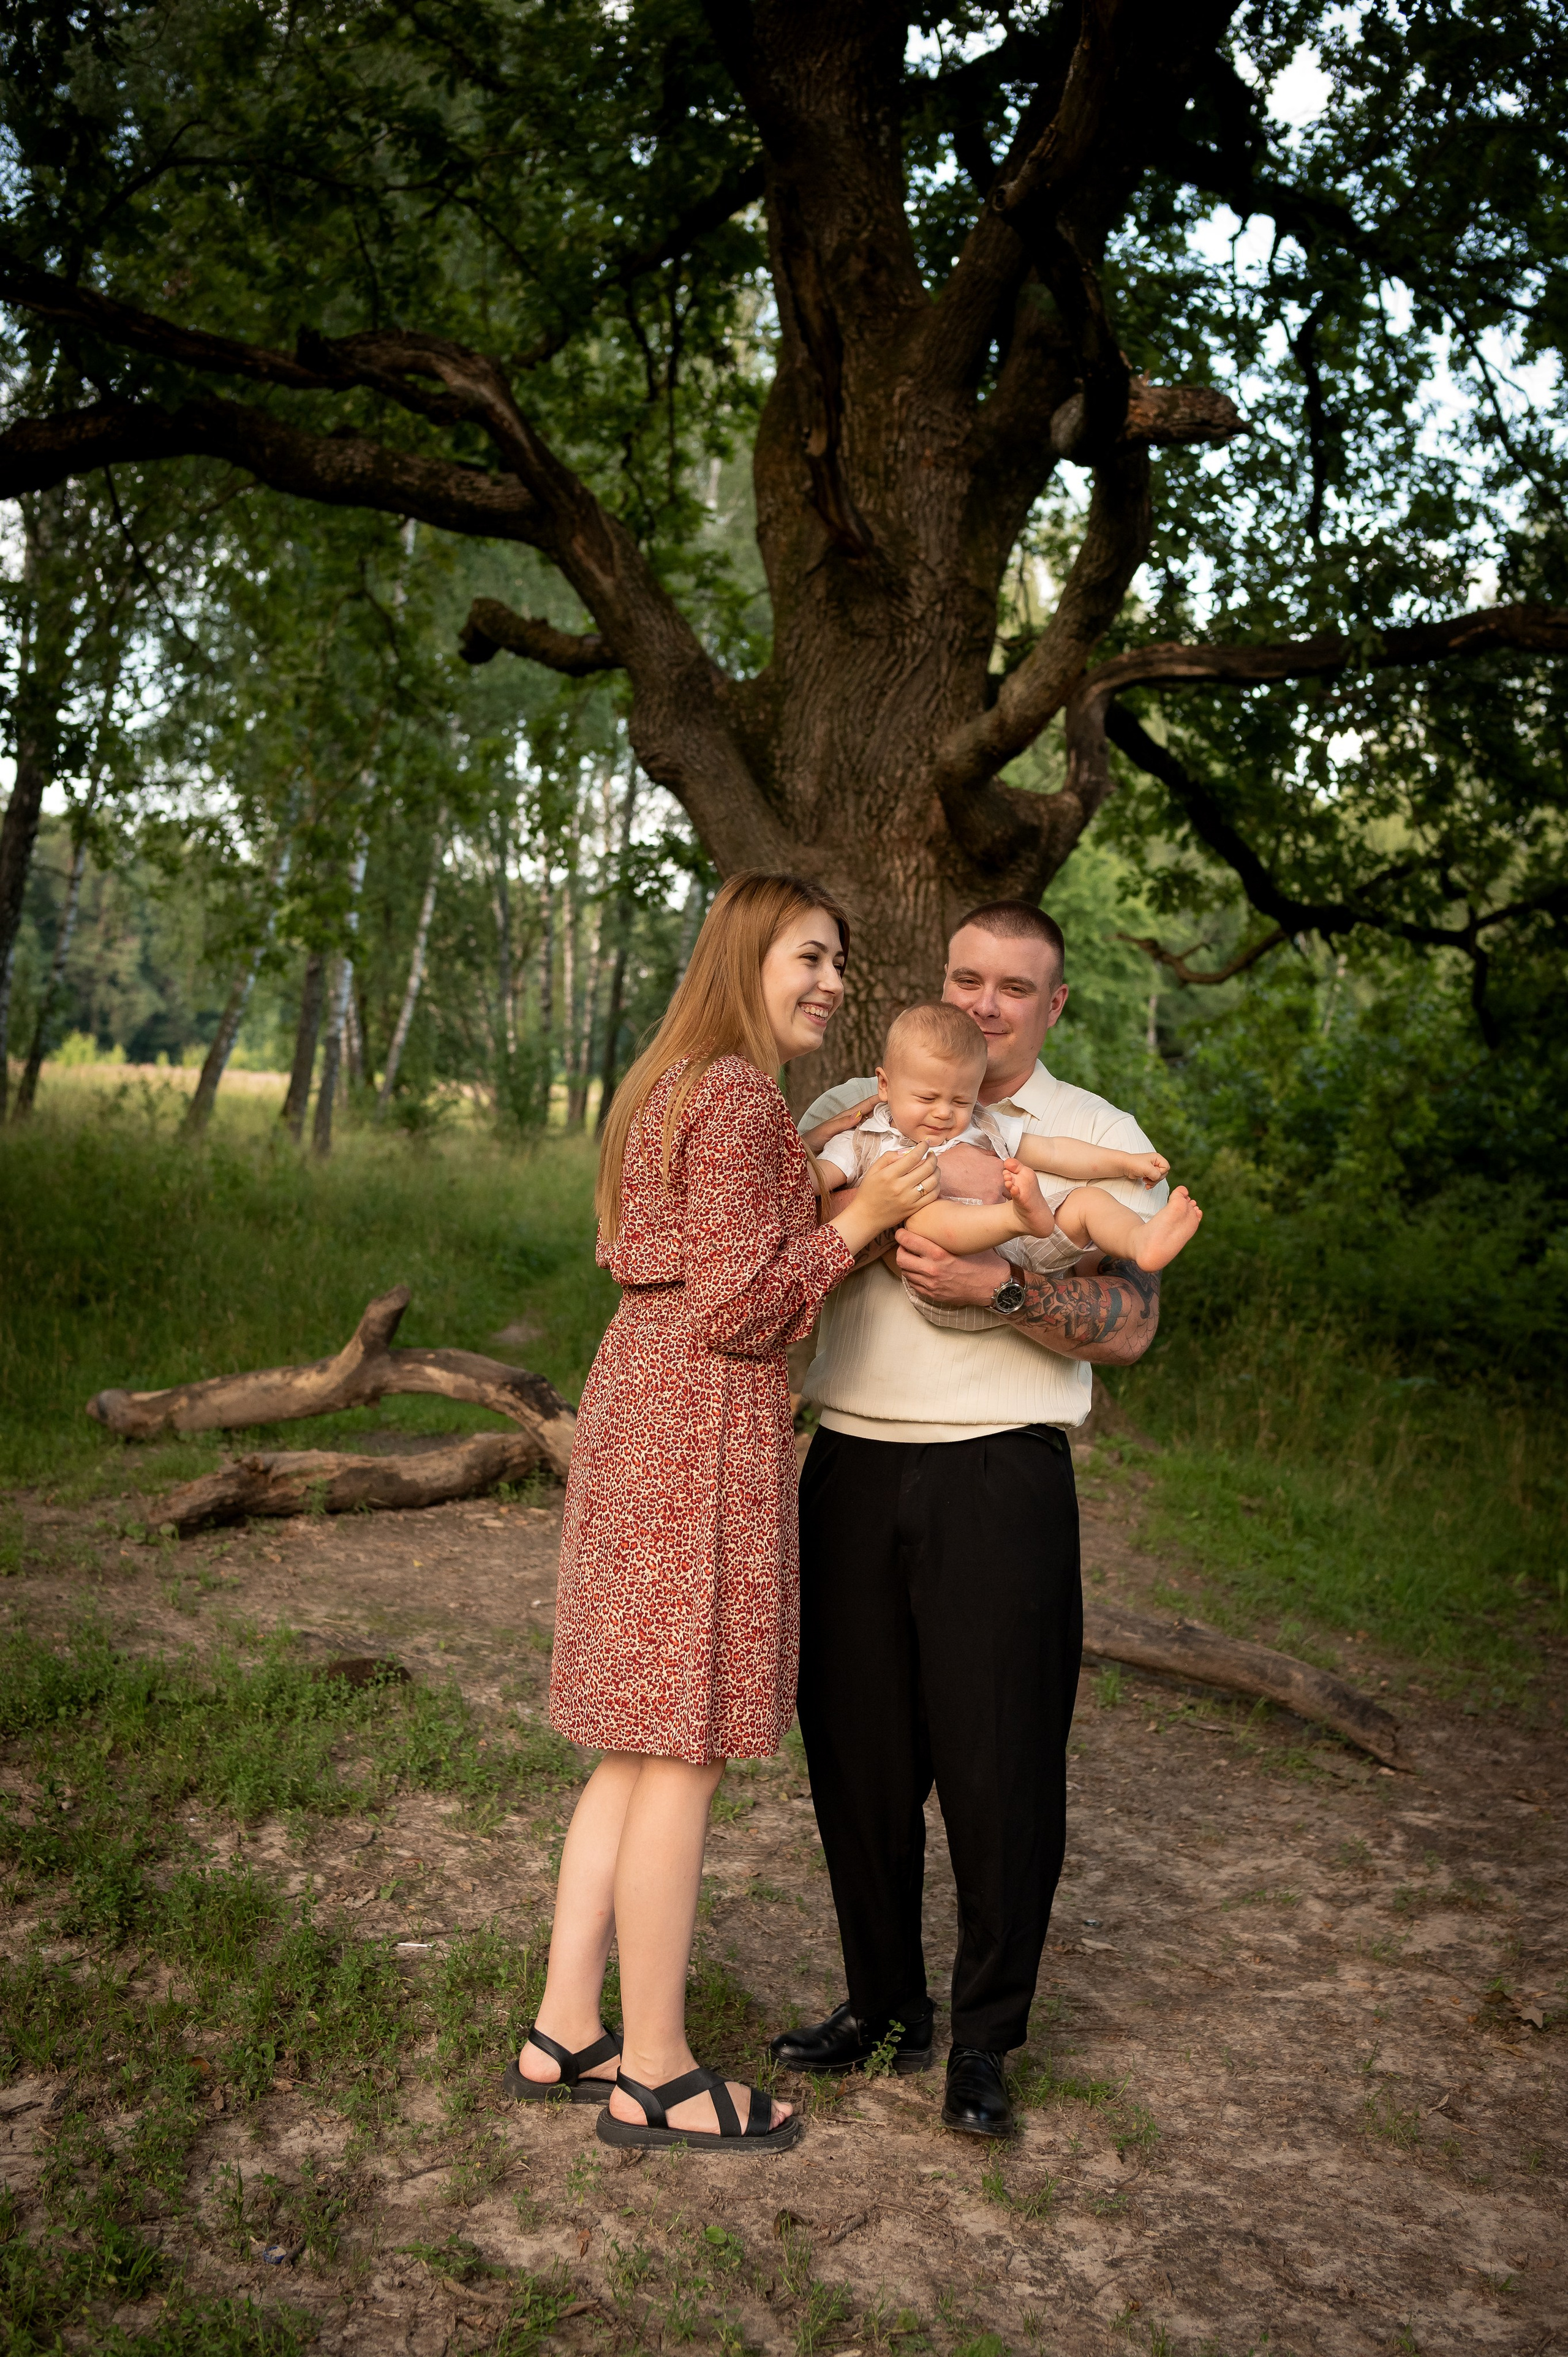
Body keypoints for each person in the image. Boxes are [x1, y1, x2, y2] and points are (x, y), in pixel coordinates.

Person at [507, 872, 934, 2154]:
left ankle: (564, 2027)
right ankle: (654, 2071)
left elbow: (699, 1265)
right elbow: (740, 1306)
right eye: (810, 956)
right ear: (747, 955)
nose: (834, 981)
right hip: (696, 1425)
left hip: (642, 1403)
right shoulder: (742, 1096)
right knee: (681, 1745)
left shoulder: (671, 1084)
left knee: (634, 1745)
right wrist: (862, 1218)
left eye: (838, 960)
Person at [771, 901, 1165, 2139]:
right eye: (966, 978)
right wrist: (866, 1215)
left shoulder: (1092, 1133)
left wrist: (999, 1287)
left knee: (1001, 1768)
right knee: (857, 1757)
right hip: (849, 1456)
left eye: (1014, 986)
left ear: (1054, 1004)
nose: (985, 1003)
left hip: (1000, 1471)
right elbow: (779, 1249)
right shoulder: (852, 1107)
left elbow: (1133, 1323)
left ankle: (986, 2039)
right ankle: (883, 2002)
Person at [815, 998, 1202, 1275]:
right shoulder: (861, 1139)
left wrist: (1125, 1163)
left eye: (961, 1100)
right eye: (927, 1099)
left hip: (1019, 1253)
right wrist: (806, 1143)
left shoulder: (981, 1124)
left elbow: (1053, 1151)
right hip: (943, 1266)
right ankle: (1015, 1216)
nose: (944, 1113)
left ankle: (1139, 1241)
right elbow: (806, 1184)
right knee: (920, 1216)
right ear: (884, 1085)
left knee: (1087, 1202)